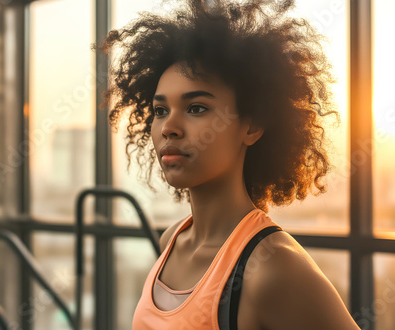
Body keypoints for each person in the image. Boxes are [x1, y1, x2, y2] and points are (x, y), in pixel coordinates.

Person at [92, 0, 361, 328]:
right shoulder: (171, 241)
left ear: (251, 126)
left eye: (196, 109)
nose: (169, 127)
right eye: (161, 110)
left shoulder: (272, 267)